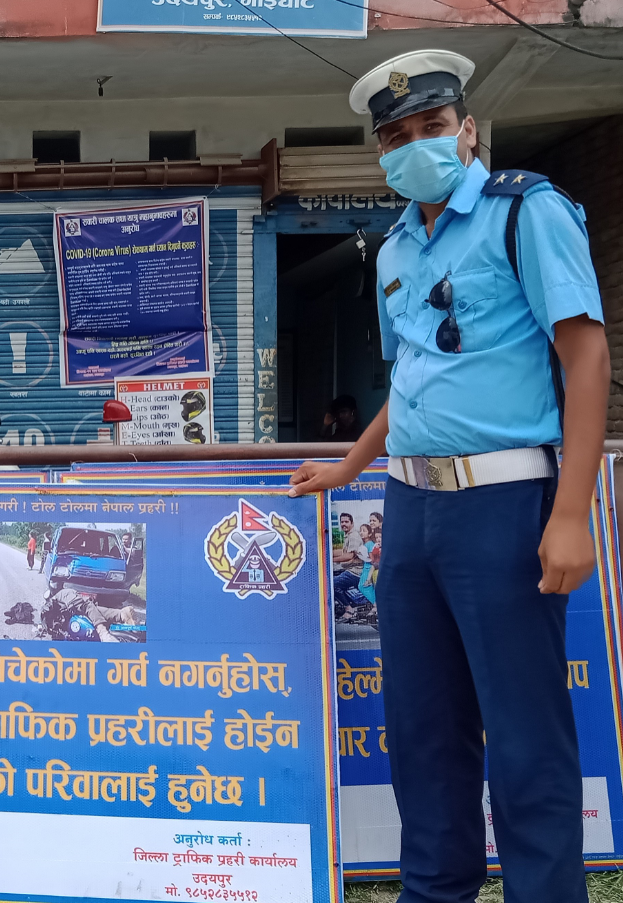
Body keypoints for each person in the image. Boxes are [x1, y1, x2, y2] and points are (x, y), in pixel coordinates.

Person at [290, 50, 608, 903]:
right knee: (424, 729)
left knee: (524, 732)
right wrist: (349, 464)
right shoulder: (395, 247)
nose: (415, 147)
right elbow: (413, 379)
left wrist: (571, 511)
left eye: (431, 127)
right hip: (410, 508)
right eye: (396, 138)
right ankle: (435, 890)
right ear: (382, 154)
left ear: (467, 131)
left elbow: (585, 356)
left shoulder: (526, 211)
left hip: (505, 503)